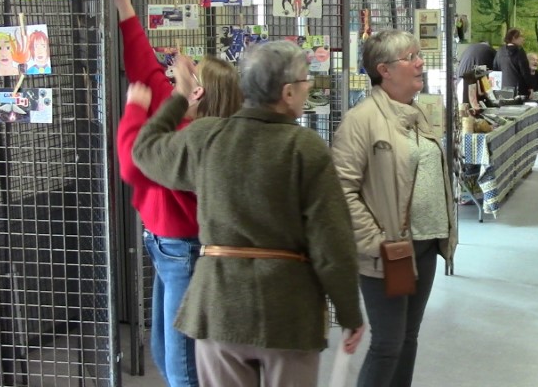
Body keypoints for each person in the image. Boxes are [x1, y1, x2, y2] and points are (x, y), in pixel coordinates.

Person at [131, 40, 365, 387]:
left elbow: (143, 150)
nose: (309, 87)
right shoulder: (306, 149)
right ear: (287, 93)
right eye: (306, 80)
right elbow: (333, 243)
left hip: (218, 308)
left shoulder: (207, 137)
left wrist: (179, 97)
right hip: (289, 315)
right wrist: (349, 312)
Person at [110, 0, 243, 387]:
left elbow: (133, 163)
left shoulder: (194, 138)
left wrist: (135, 111)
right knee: (164, 351)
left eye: (189, 73)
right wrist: (125, 4)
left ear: (197, 92)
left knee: (182, 362)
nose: (175, 71)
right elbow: (144, 68)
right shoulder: (178, 113)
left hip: (184, 250)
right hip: (165, 246)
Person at [331, 30, 457, 387]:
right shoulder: (361, 120)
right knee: (387, 343)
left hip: (426, 244)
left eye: (418, 55)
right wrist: (378, 242)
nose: (420, 63)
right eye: (410, 57)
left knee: (407, 338)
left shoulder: (414, 112)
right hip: (389, 252)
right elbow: (340, 190)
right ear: (383, 70)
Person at [493, 28, 533, 97]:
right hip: (519, 91)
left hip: (503, 91)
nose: (523, 39)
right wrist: (530, 87)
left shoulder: (499, 51)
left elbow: (495, 70)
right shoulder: (519, 51)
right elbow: (525, 72)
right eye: (521, 36)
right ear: (514, 37)